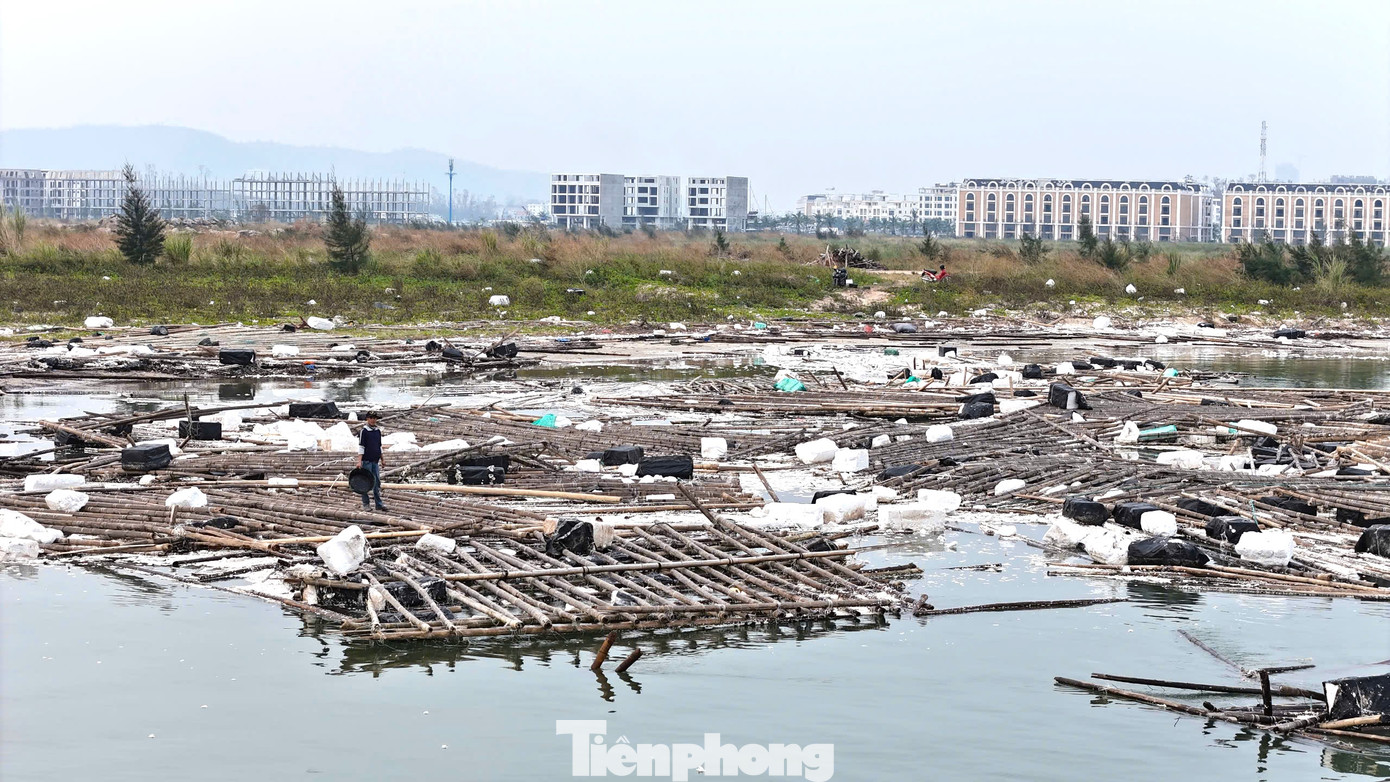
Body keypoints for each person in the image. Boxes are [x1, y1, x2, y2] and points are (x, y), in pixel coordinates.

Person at [356, 411, 386, 512]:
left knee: (376, 483)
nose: (373, 420)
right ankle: (366, 504)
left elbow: (379, 446)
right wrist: (359, 461)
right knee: (365, 482)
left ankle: (379, 504)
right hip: (367, 461)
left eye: (375, 418)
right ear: (367, 419)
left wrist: (382, 459)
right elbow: (361, 447)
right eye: (371, 418)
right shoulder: (364, 431)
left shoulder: (377, 431)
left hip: (375, 461)